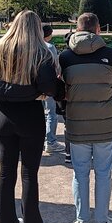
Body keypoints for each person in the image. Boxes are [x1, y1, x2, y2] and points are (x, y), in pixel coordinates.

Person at [0, 10, 63, 223]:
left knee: (6, 172)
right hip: (30, 116)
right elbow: (48, 86)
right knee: (28, 175)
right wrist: (33, 92)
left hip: (4, 116)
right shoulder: (40, 52)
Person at [59, 12, 112, 223]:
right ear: (98, 29)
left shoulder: (65, 57)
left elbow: (61, 91)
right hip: (106, 124)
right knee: (103, 173)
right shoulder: (111, 54)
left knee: (80, 175)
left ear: (77, 29)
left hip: (77, 124)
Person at [43, 24, 65, 153]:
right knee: (51, 114)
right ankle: (50, 141)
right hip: (48, 84)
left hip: (34, 85)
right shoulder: (50, 47)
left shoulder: (32, 46)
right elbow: (57, 67)